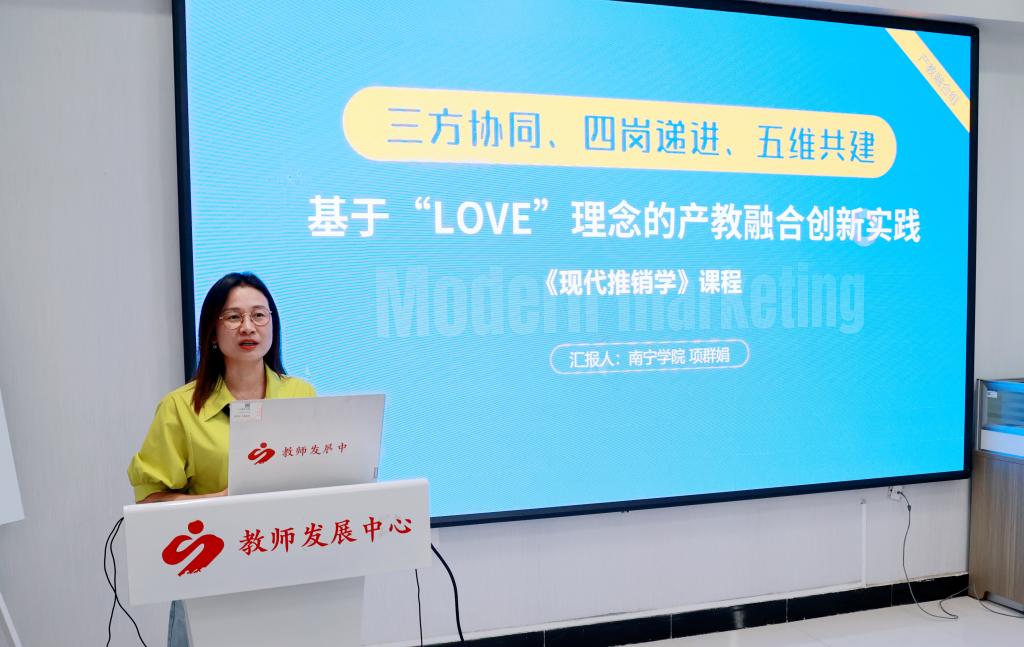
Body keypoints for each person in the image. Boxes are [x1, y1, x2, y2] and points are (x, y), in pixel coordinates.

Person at [127, 272, 315, 646]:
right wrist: (223, 500)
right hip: (211, 575)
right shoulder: (180, 408)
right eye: (233, 316)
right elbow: (149, 502)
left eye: (259, 315)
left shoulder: (301, 394)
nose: (248, 327)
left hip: (288, 567)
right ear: (213, 332)